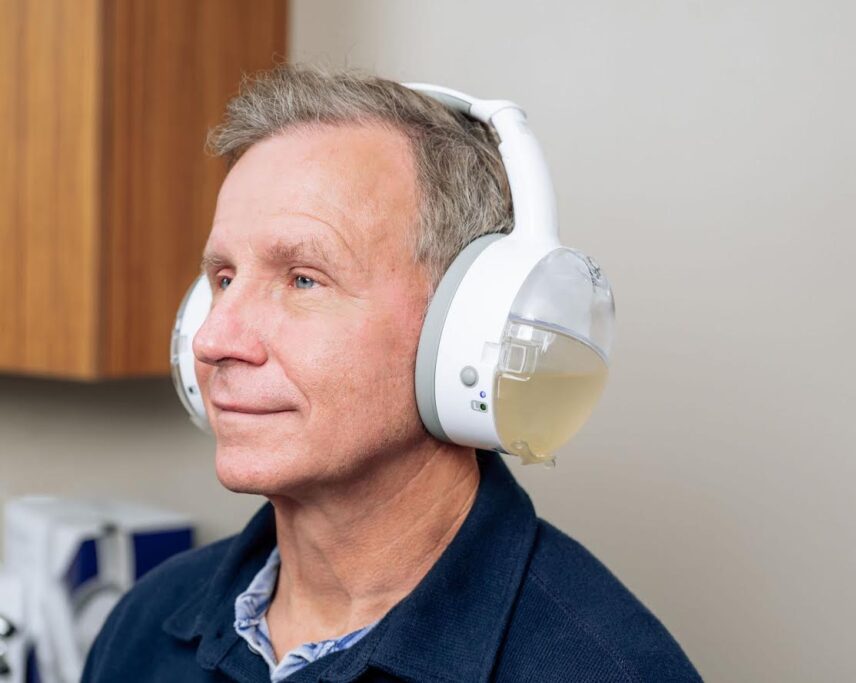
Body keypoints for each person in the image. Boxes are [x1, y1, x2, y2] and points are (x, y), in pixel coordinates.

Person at [83, 66, 703, 683]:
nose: (215, 340)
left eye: (304, 279)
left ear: (469, 325)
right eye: (222, 280)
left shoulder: (606, 669)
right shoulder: (147, 621)